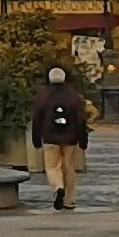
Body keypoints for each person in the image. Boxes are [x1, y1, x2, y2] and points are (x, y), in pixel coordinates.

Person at [31, 64, 94, 209]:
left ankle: (58, 187)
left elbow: (37, 119)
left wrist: (36, 139)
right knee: (69, 168)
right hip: (70, 138)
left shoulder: (43, 96)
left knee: (52, 167)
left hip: (50, 138)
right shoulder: (73, 96)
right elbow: (80, 119)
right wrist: (83, 140)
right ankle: (69, 200)